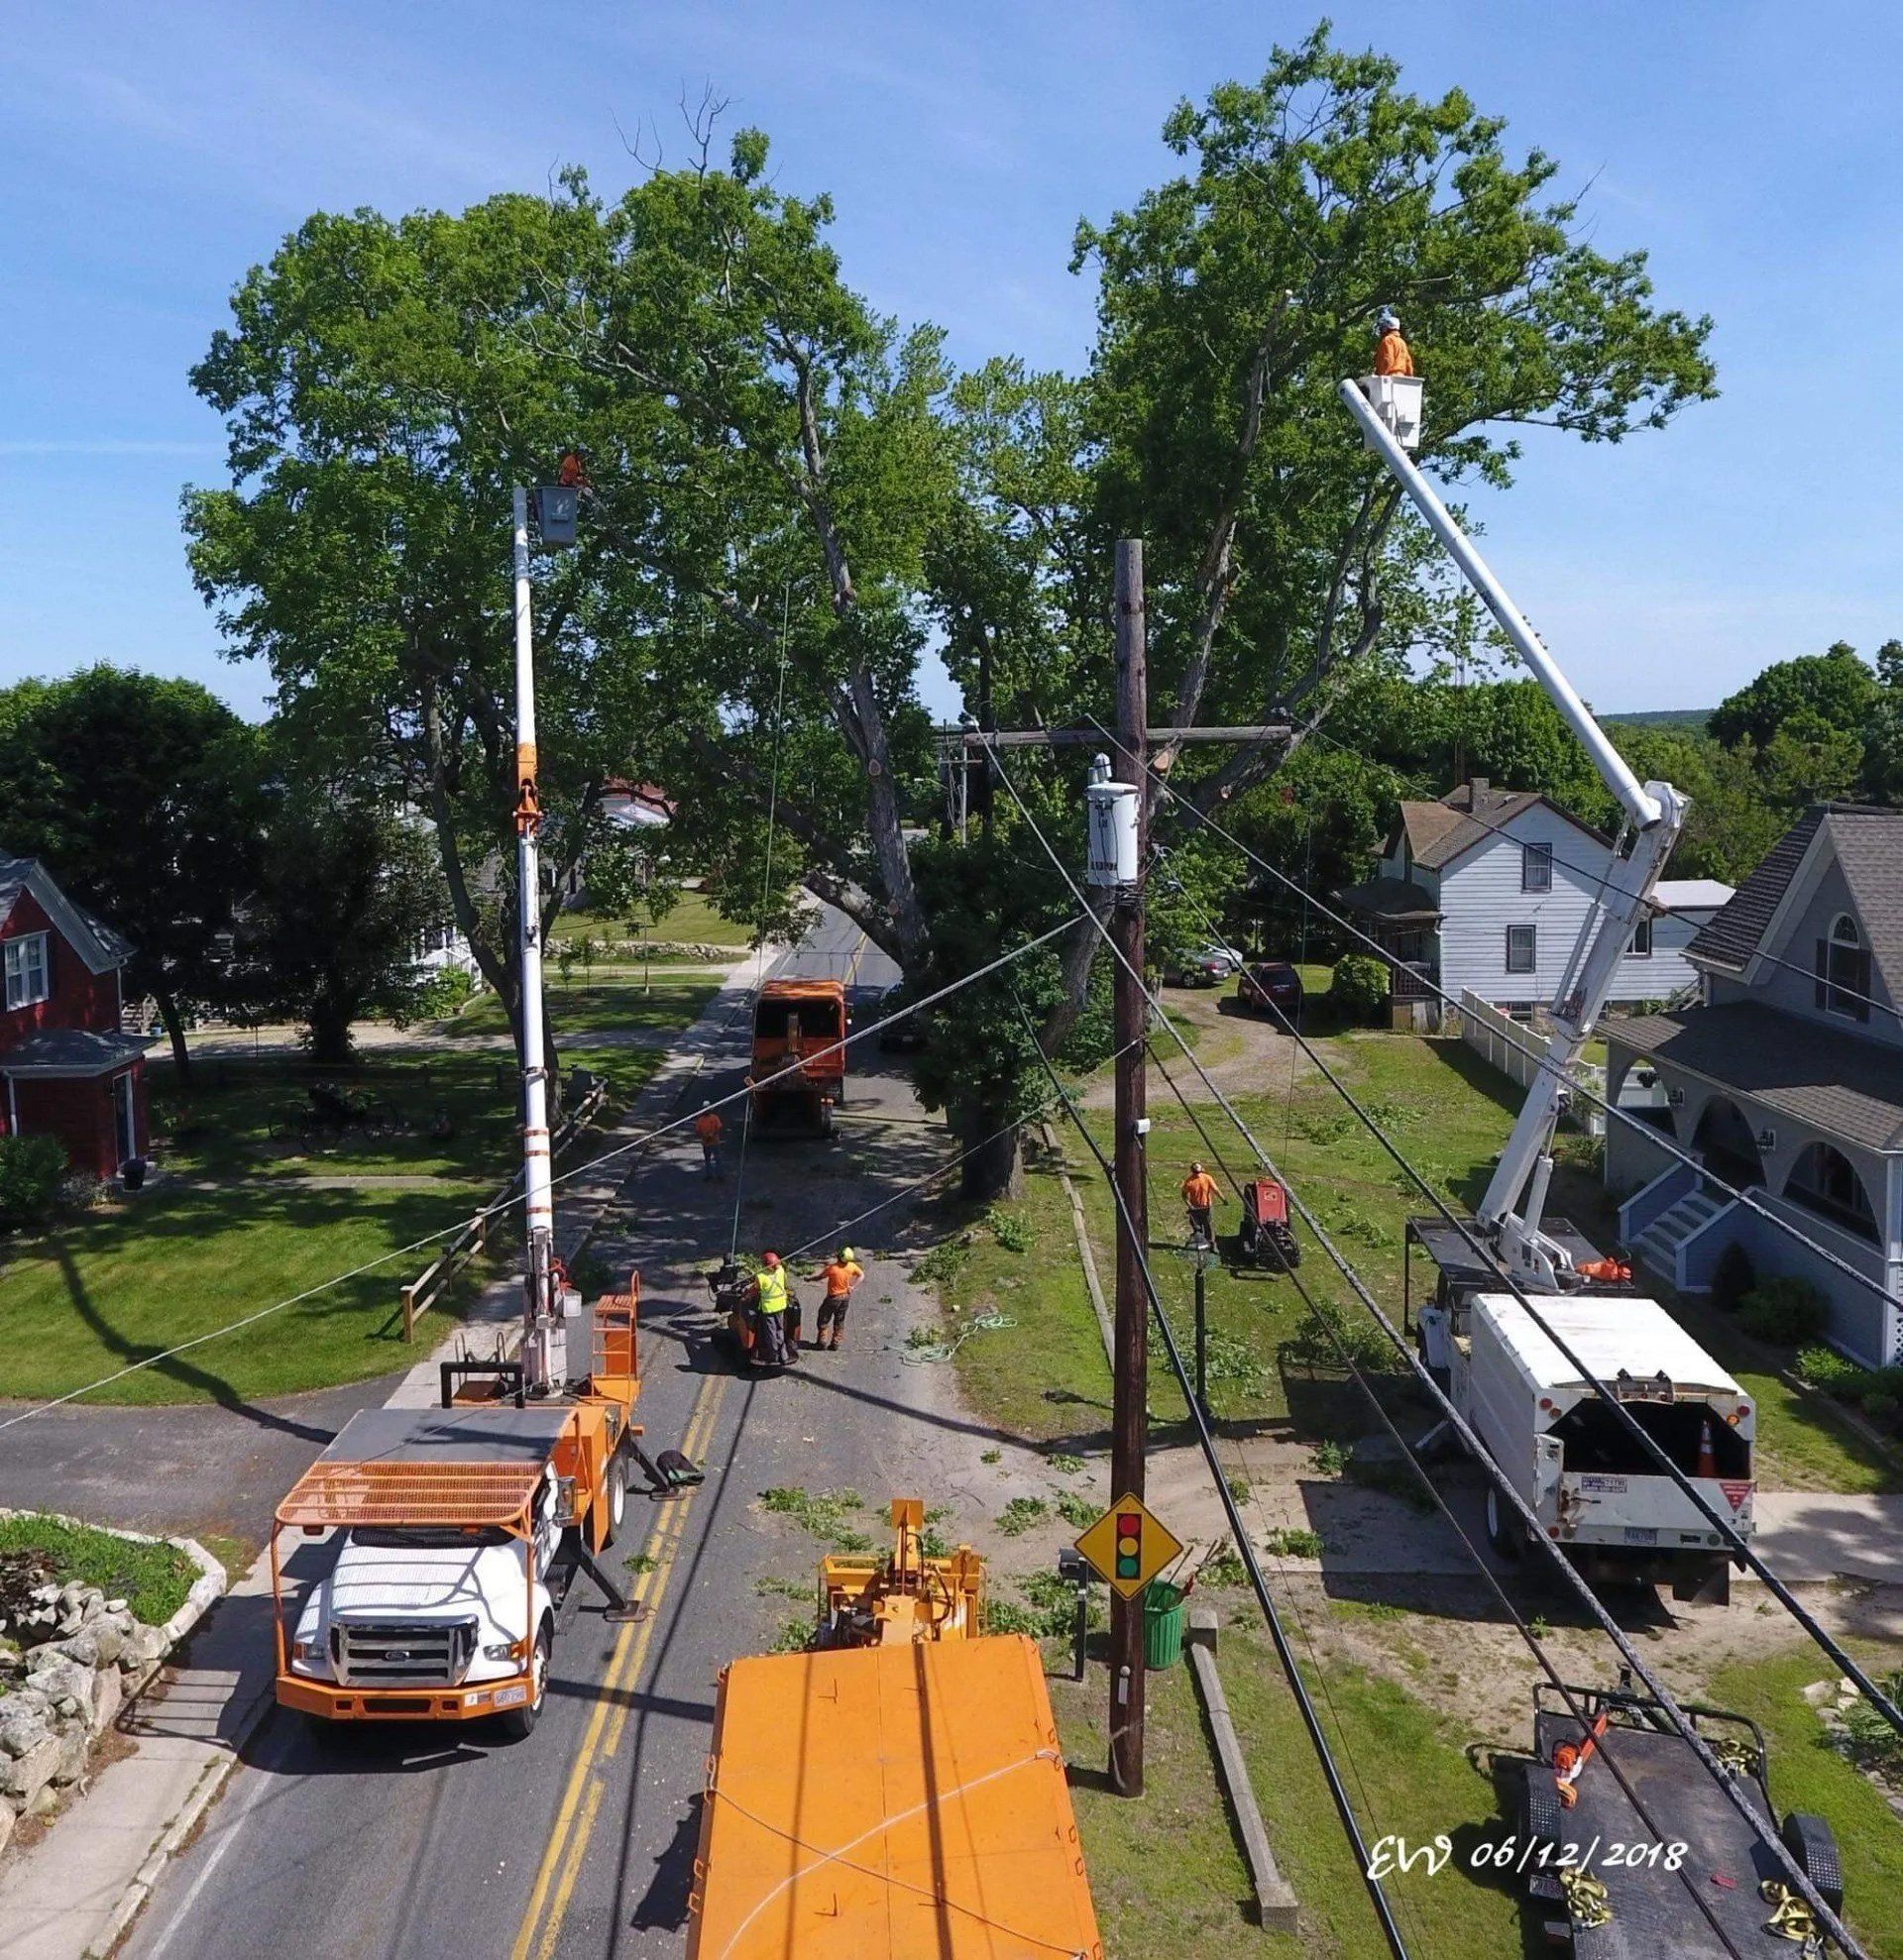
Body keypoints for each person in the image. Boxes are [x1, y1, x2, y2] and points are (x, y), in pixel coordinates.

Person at [815, 1245, 864, 1352]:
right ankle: (836, 1342)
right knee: (839, 1320)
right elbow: (861, 1275)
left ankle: (822, 1341)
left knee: (823, 1318)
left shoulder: (832, 1268)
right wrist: (853, 1286)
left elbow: (820, 1277)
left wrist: (809, 1279)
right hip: (845, 1297)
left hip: (833, 1298)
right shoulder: (852, 1266)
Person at [753, 1251, 791, 1366]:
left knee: (771, 1333)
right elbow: (785, 1284)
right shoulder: (781, 1270)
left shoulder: (760, 1276)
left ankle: (773, 1355)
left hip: (768, 1309)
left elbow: (756, 1289)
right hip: (781, 1306)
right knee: (780, 1330)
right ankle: (784, 1355)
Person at [1180, 1162, 1222, 1250]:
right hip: (1195, 1208)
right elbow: (1184, 1194)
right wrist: (1190, 1206)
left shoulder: (1206, 1178)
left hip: (1206, 1207)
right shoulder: (1190, 1181)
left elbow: (1216, 1190)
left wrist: (1224, 1200)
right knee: (1198, 1227)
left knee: (1208, 1227)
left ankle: (1211, 1244)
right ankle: (1202, 1243)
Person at [1374, 306, 1413, 378]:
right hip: (1402, 377)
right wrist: (1410, 377)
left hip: (1390, 377)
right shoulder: (1402, 342)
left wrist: (1381, 376)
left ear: (1387, 328)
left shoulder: (1388, 340)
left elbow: (1388, 359)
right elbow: (1408, 362)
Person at [694, 1104, 725, 1178]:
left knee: (718, 1159)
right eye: (705, 1109)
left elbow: (719, 1127)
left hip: (715, 1142)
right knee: (707, 1160)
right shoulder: (700, 1120)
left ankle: (719, 1175)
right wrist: (704, 1136)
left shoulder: (714, 1118)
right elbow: (697, 1130)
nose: (706, 1110)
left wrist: (712, 1134)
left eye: (708, 1109)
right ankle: (709, 1175)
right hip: (706, 1142)